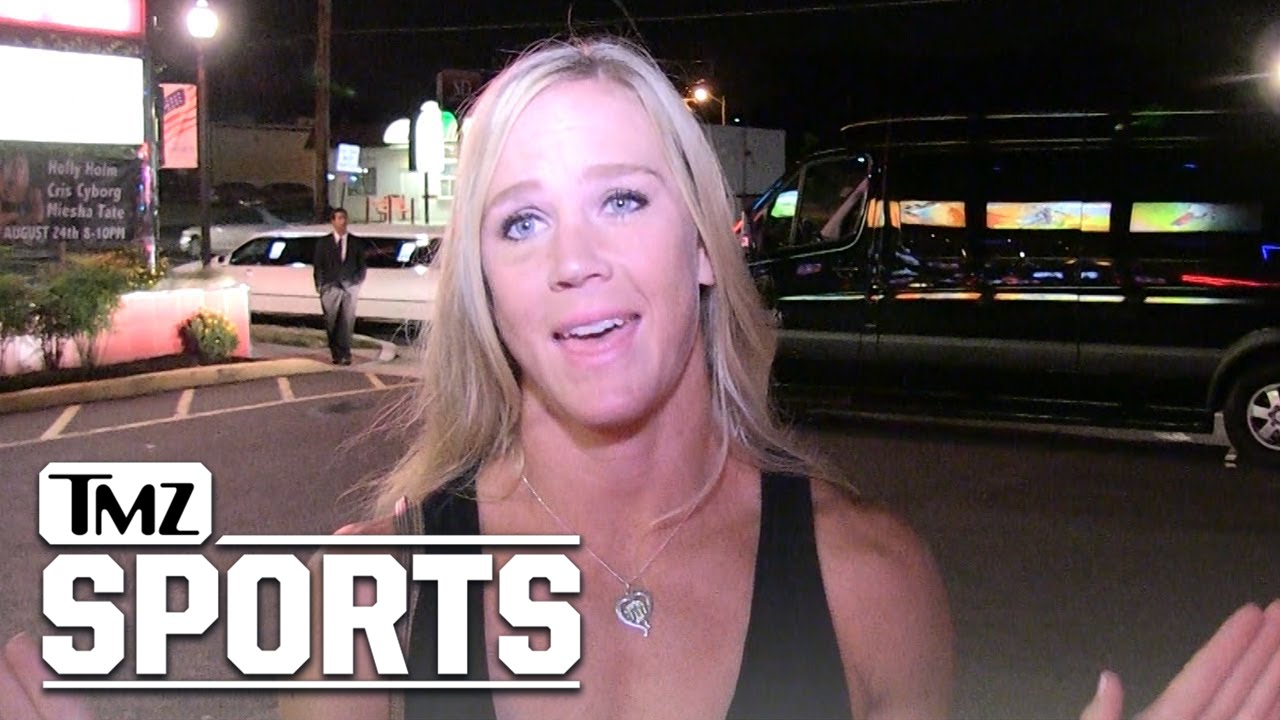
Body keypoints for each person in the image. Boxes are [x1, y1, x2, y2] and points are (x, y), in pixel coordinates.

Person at [2, 36, 1278, 720]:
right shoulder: (368, 602)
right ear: (484, 286)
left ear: (708, 247)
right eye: (519, 222)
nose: (574, 262)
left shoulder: (869, 583)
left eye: (621, 199)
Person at [313, 207, 367, 365]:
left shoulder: (356, 242)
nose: (343, 221)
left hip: (350, 288)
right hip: (330, 288)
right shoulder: (323, 243)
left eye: (344, 218)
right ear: (333, 221)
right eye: (339, 218)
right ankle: (335, 353)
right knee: (331, 322)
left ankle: (345, 354)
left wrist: (356, 282)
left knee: (347, 322)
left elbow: (362, 266)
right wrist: (320, 286)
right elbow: (318, 266)